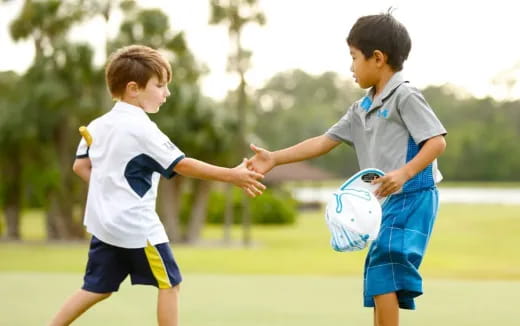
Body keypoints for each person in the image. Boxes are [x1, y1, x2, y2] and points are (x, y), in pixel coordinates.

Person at [247, 12, 447, 326]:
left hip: (413, 195)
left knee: (385, 263)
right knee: (379, 271)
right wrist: (274, 158)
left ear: (377, 58)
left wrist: (404, 173)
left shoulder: (405, 95)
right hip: (386, 201)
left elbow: (436, 142)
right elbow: (325, 141)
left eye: (354, 57)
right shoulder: (362, 108)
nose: (350, 66)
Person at [49, 44, 265, 326]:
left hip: (104, 224)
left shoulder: (96, 125)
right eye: (160, 85)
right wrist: (232, 175)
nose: (167, 93)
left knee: (95, 288)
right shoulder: (142, 128)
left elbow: (81, 166)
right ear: (133, 88)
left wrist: (110, 191)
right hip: (137, 226)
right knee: (170, 284)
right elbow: (181, 164)